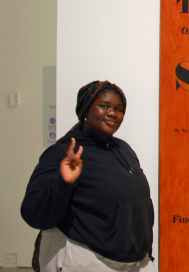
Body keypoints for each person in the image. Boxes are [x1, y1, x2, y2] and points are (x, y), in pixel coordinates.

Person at [21, 81, 157, 272]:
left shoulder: (123, 149)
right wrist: (63, 182)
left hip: (132, 261)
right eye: (104, 106)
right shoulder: (63, 152)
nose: (112, 113)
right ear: (86, 110)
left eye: (118, 109)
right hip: (84, 258)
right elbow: (33, 213)